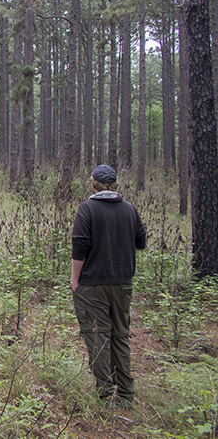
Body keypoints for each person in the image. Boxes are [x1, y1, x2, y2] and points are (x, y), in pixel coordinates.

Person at [71, 164, 147, 408]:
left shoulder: (87, 209)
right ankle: (125, 394)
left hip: (93, 285)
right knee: (120, 337)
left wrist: (75, 280)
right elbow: (140, 243)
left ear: (92, 184)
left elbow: (79, 248)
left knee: (98, 337)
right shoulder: (129, 210)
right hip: (123, 283)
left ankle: (104, 396)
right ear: (115, 184)